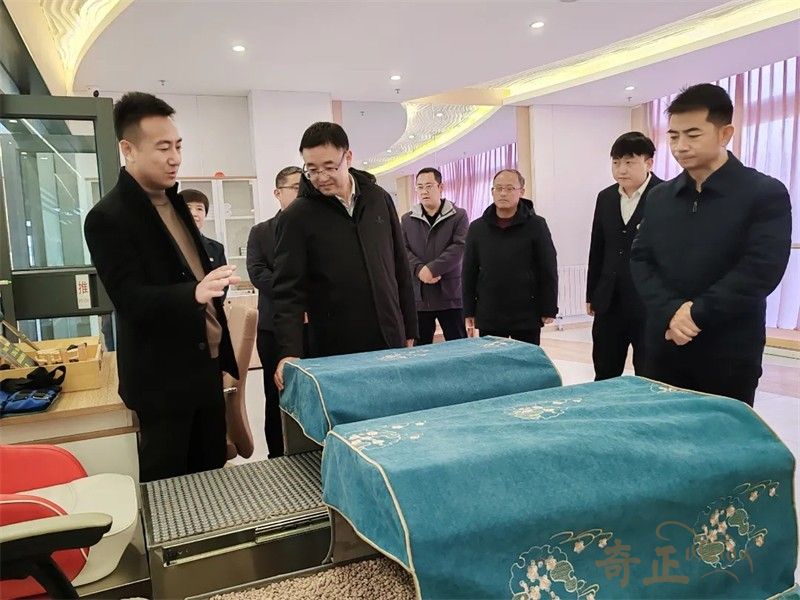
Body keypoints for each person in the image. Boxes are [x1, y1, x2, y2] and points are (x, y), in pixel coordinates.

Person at [84, 92, 239, 481]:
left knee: (213, 479)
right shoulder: (108, 217)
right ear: (128, 149)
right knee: (168, 489)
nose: (175, 158)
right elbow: (130, 300)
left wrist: (213, 285)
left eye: (178, 146)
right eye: (163, 147)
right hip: (162, 383)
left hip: (205, 370)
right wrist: (194, 293)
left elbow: (190, 273)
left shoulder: (176, 203)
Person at [630, 83, 792, 406]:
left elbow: (761, 268)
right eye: (673, 136)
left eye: (693, 135)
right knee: (661, 429)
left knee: (724, 433)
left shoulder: (763, 193)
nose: (681, 146)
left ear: (725, 134)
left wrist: (696, 314)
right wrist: (671, 312)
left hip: (728, 348)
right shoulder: (660, 197)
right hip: (664, 343)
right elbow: (641, 259)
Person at [272, 122, 417, 390]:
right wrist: (289, 351)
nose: (320, 177)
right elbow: (288, 291)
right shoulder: (297, 217)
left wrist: (409, 327)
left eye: (329, 167)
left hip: (389, 336)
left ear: (348, 157)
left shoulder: (378, 199)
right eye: (312, 169)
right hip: (335, 345)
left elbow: (399, 265)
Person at [586, 132, 663, 380]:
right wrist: (592, 294)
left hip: (649, 302)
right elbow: (598, 247)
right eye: (616, 162)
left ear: (648, 163)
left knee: (649, 371)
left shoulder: (666, 195)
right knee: (605, 370)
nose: (621, 169)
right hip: (609, 300)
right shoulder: (606, 197)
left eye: (629, 162)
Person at [462, 169, 558, 344]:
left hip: (526, 312)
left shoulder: (536, 225)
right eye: (498, 188)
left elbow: (548, 267)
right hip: (489, 311)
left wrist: (549, 307)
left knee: (526, 359)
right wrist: (468, 309)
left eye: (509, 188)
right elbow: (469, 271)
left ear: (521, 191)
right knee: (492, 359)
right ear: (492, 191)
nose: (503, 193)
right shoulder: (477, 228)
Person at [246, 165, 302, 458]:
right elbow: (258, 273)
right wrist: (294, 292)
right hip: (274, 327)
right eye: (295, 187)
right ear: (277, 193)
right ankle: (277, 456)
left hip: (312, 327)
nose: (301, 193)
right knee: (275, 394)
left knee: (311, 392)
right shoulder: (261, 232)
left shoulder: (316, 229)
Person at [401, 167, 469, 345]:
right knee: (421, 349)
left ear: (441, 187)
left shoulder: (458, 215)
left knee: (459, 345)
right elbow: (403, 250)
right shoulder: (407, 219)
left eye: (429, 186)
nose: (424, 191)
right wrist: (419, 269)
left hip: (450, 293)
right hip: (420, 295)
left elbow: (459, 247)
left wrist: (432, 269)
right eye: (420, 187)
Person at [182, 188, 227, 268]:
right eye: (188, 208)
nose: (194, 213)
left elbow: (223, 275)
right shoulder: (166, 245)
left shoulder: (216, 248)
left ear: (205, 214)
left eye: (199, 209)